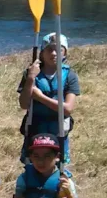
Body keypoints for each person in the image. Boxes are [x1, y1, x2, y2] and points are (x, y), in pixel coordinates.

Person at [19, 33, 80, 164]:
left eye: (59, 49)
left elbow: (68, 109)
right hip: (35, 128)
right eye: (49, 49)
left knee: (58, 166)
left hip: (58, 131)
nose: (53, 53)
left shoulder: (70, 76)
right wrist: (30, 79)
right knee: (33, 165)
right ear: (42, 53)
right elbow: (24, 104)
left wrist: (40, 97)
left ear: (65, 53)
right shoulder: (31, 74)